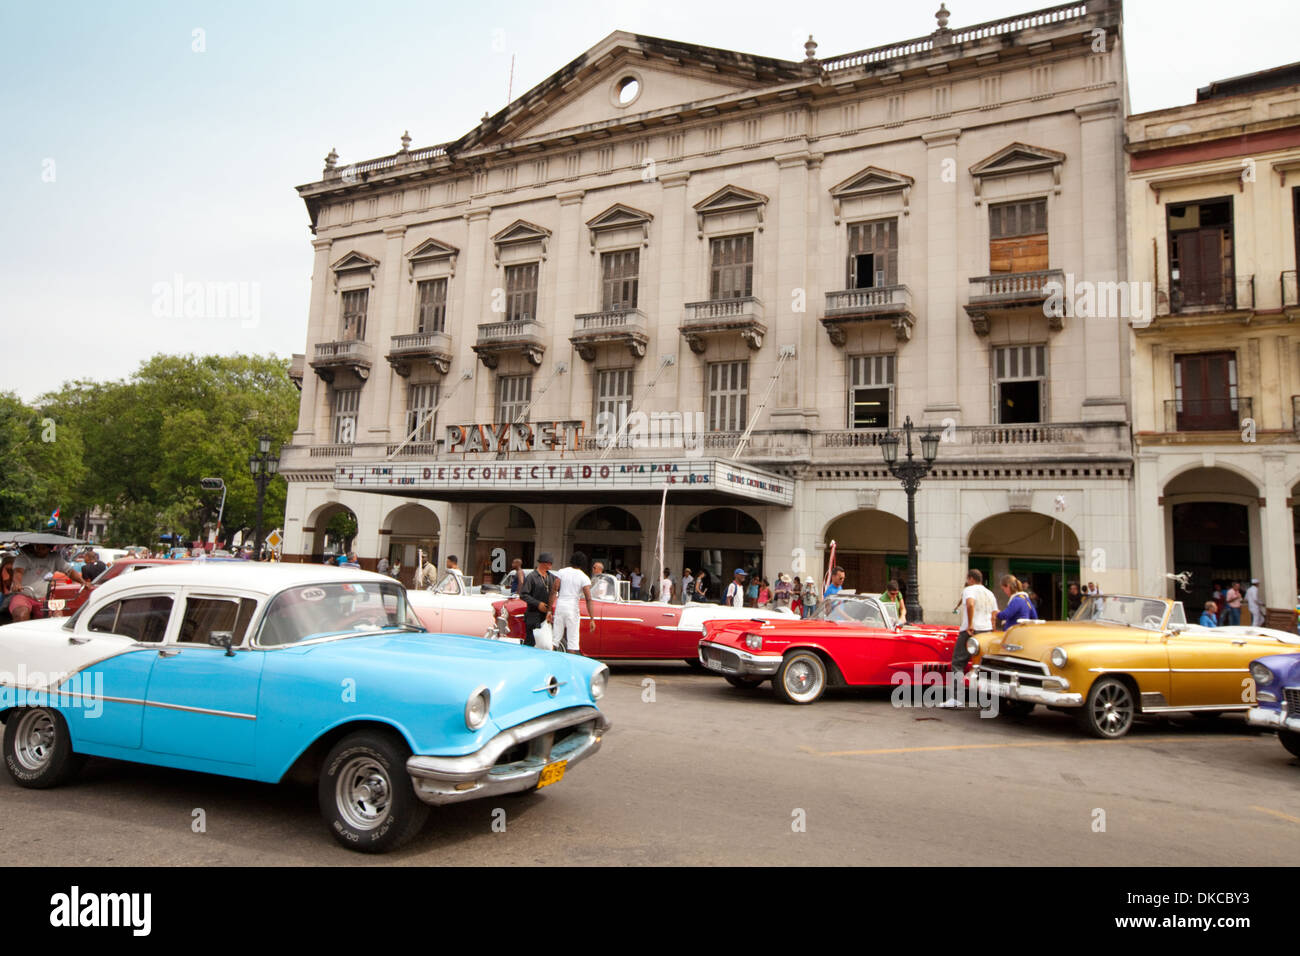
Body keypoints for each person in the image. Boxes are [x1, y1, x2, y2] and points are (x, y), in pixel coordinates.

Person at [947, 568, 998, 702]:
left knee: (958, 662)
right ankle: (986, 699)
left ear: (971, 579)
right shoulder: (989, 593)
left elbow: (970, 604)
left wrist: (970, 624)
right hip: (986, 630)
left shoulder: (969, 590)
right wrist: (992, 628)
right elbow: (994, 613)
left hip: (971, 630)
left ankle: (957, 698)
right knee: (983, 664)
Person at [9, 542, 91, 622]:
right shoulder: (24, 557)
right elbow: (18, 572)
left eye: (43, 548)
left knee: (57, 617)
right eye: (37, 547)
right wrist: (17, 583)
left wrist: (82, 582)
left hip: (45, 597)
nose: (39, 550)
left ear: (49, 548)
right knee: (21, 614)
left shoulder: (55, 558)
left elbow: (69, 571)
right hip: (24, 595)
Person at [550, 552, 595, 653]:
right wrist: (592, 618)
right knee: (572, 641)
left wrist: (549, 611)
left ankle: (549, 660)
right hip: (572, 608)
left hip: (560, 605)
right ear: (583, 563)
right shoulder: (584, 577)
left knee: (555, 638)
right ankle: (571, 666)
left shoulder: (561, 572)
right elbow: (588, 599)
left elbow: (554, 590)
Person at [520, 553, 556, 647]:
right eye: (549, 563)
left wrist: (549, 611)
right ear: (543, 563)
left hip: (546, 615)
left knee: (545, 643)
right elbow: (523, 594)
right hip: (533, 615)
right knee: (531, 643)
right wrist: (538, 604)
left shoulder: (552, 577)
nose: (551, 565)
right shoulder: (532, 577)